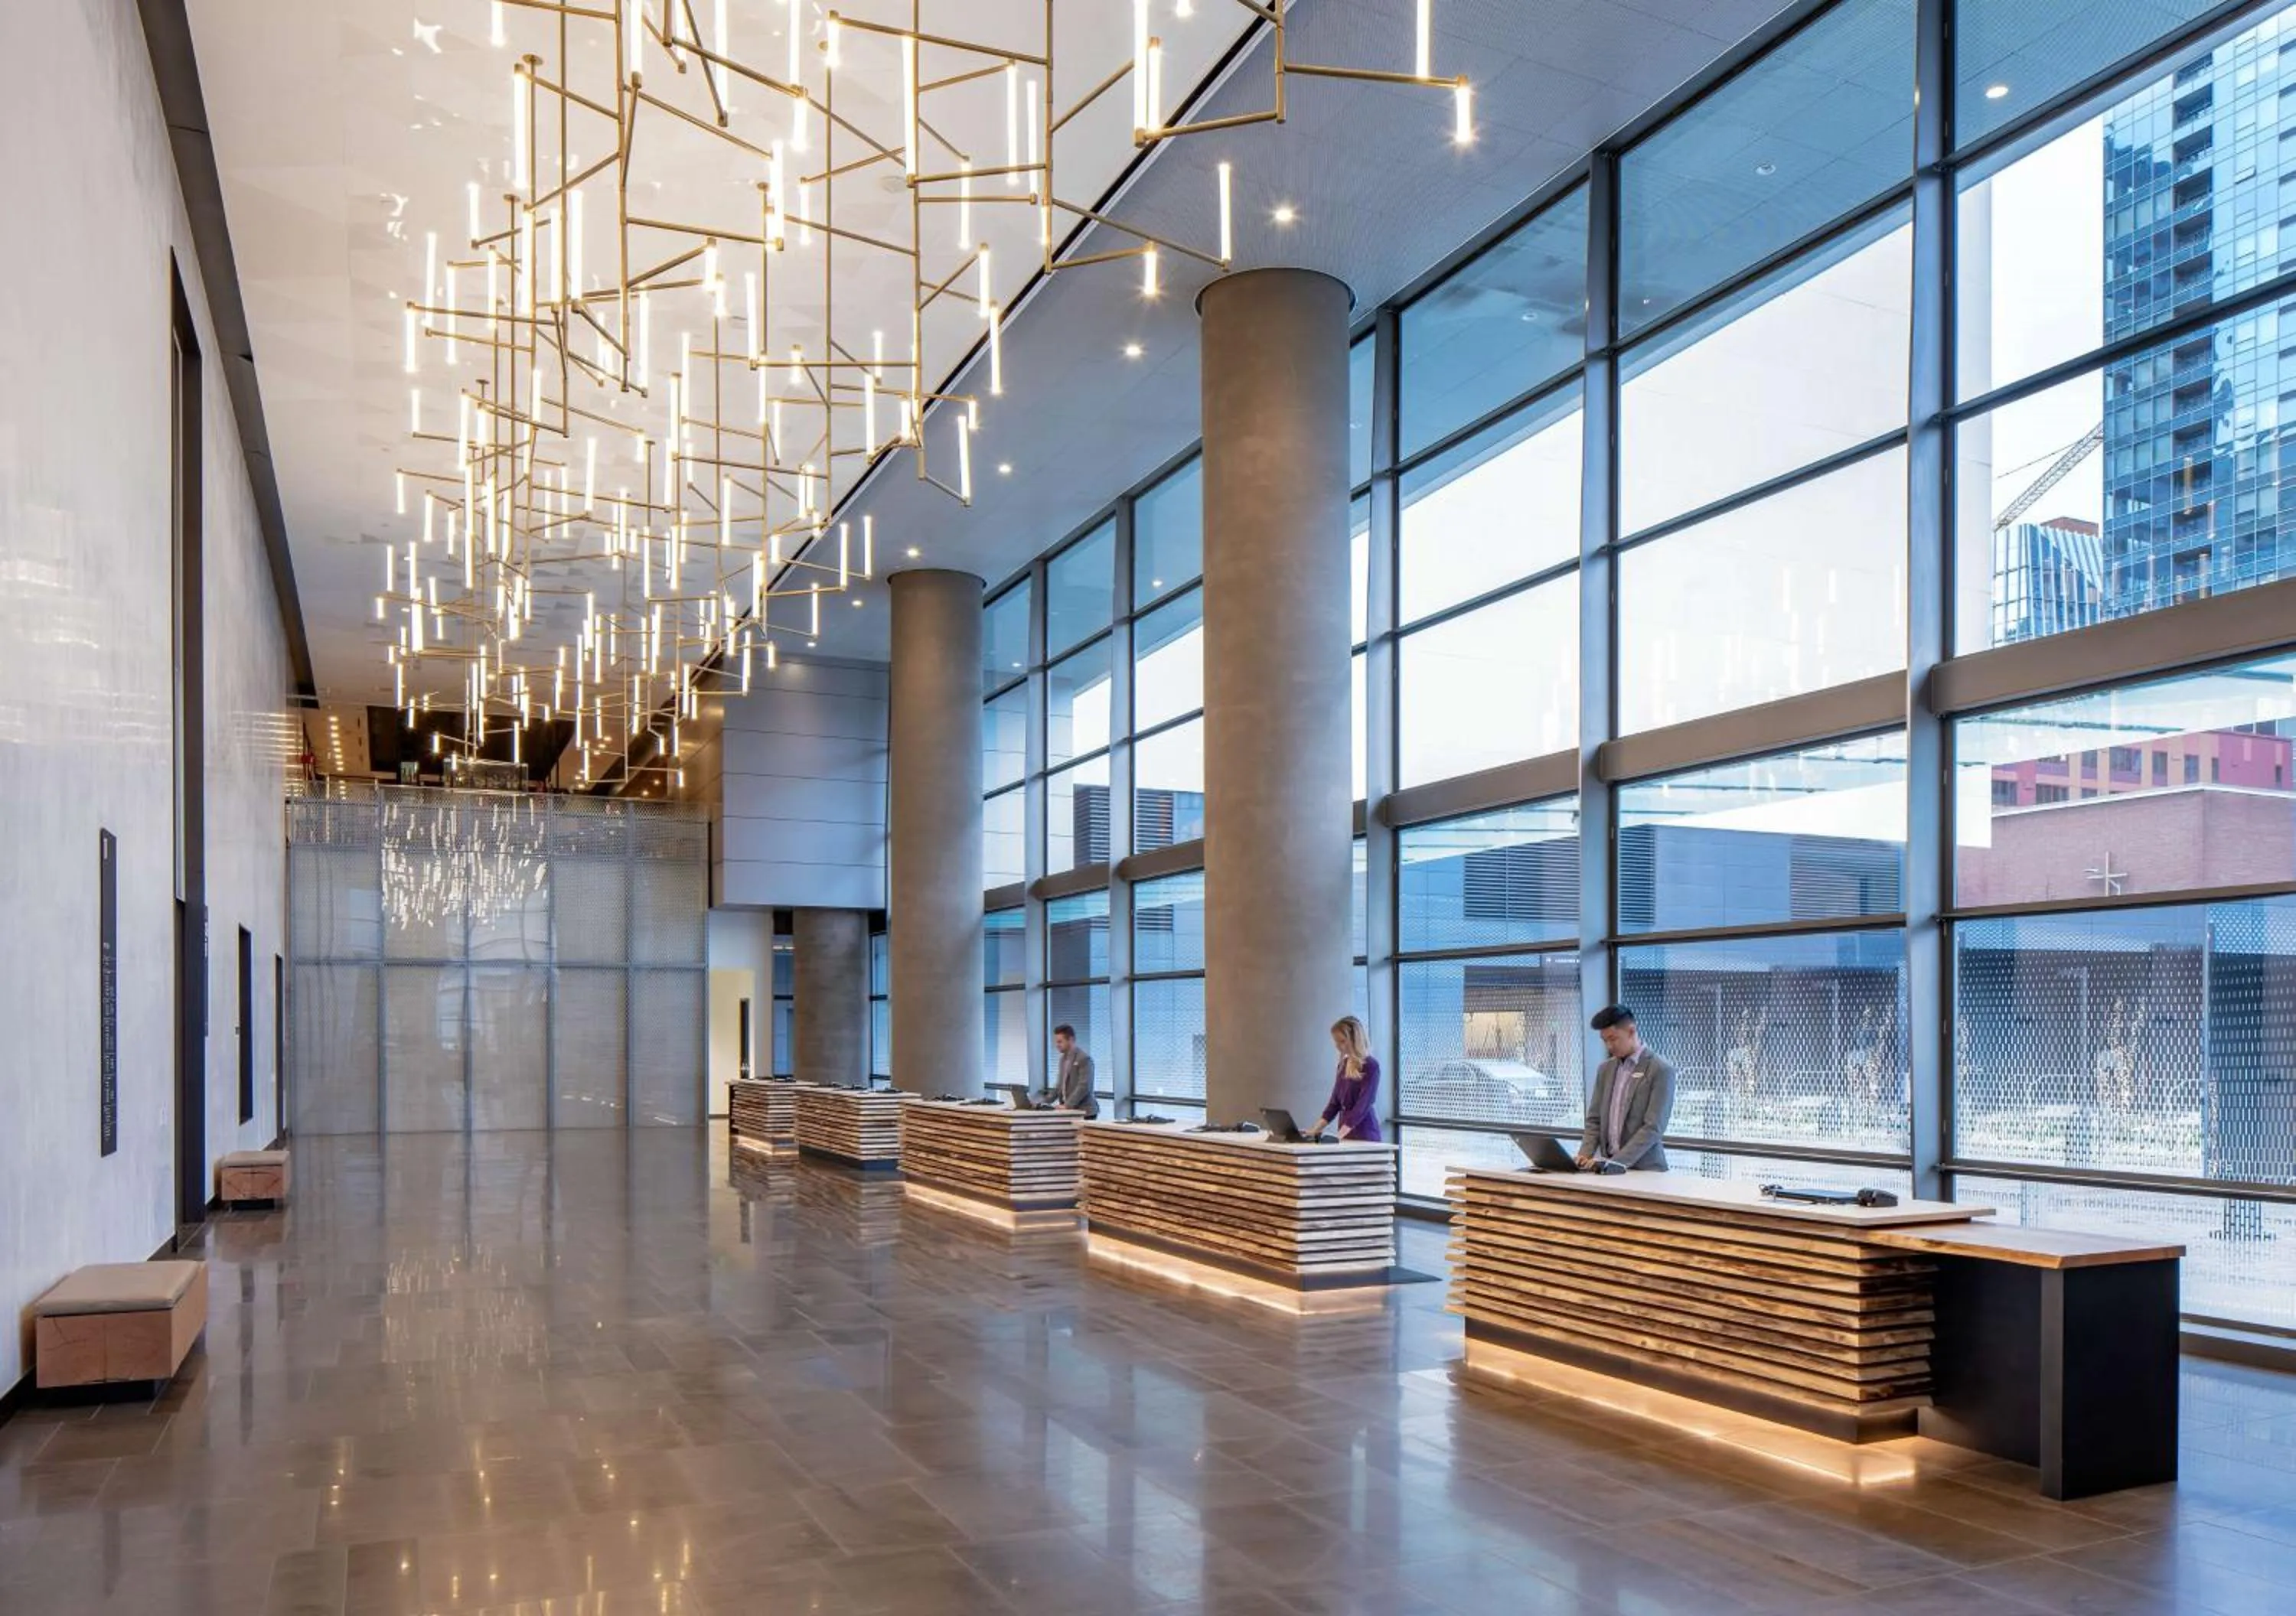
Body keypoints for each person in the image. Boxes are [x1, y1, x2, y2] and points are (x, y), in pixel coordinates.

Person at [1577, 1004, 1673, 1171]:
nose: (1609, 1046)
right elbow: (1594, 1120)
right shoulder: (1605, 1069)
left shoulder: (1660, 1069)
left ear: (1631, 1031)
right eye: (1605, 1040)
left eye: (1613, 1039)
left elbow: (1653, 1127)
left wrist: (1616, 1163)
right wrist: (1584, 1155)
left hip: (1645, 1171)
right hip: (1608, 1169)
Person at [1305, 1016, 1381, 1142]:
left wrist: (1338, 1136)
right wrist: (1315, 1130)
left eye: (1342, 1041)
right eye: (1336, 1042)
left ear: (1354, 1040)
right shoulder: (1343, 1065)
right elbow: (1334, 1104)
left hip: (1365, 1135)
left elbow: (1362, 1107)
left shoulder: (1371, 1066)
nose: (1338, 1046)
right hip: (1346, 1134)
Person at [1044, 1024, 1099, 1119]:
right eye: (1056, 1042)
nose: (1057, 1045)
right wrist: (1043, 1102)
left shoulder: (1084, 1059)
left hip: (1085, 1112)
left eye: (1060, 1042)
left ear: (1071, 1040)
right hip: (1070, 1111)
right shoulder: (1063, 1059)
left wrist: (1067, 1105)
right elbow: (1059, 1086)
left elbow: (1084, 1086)